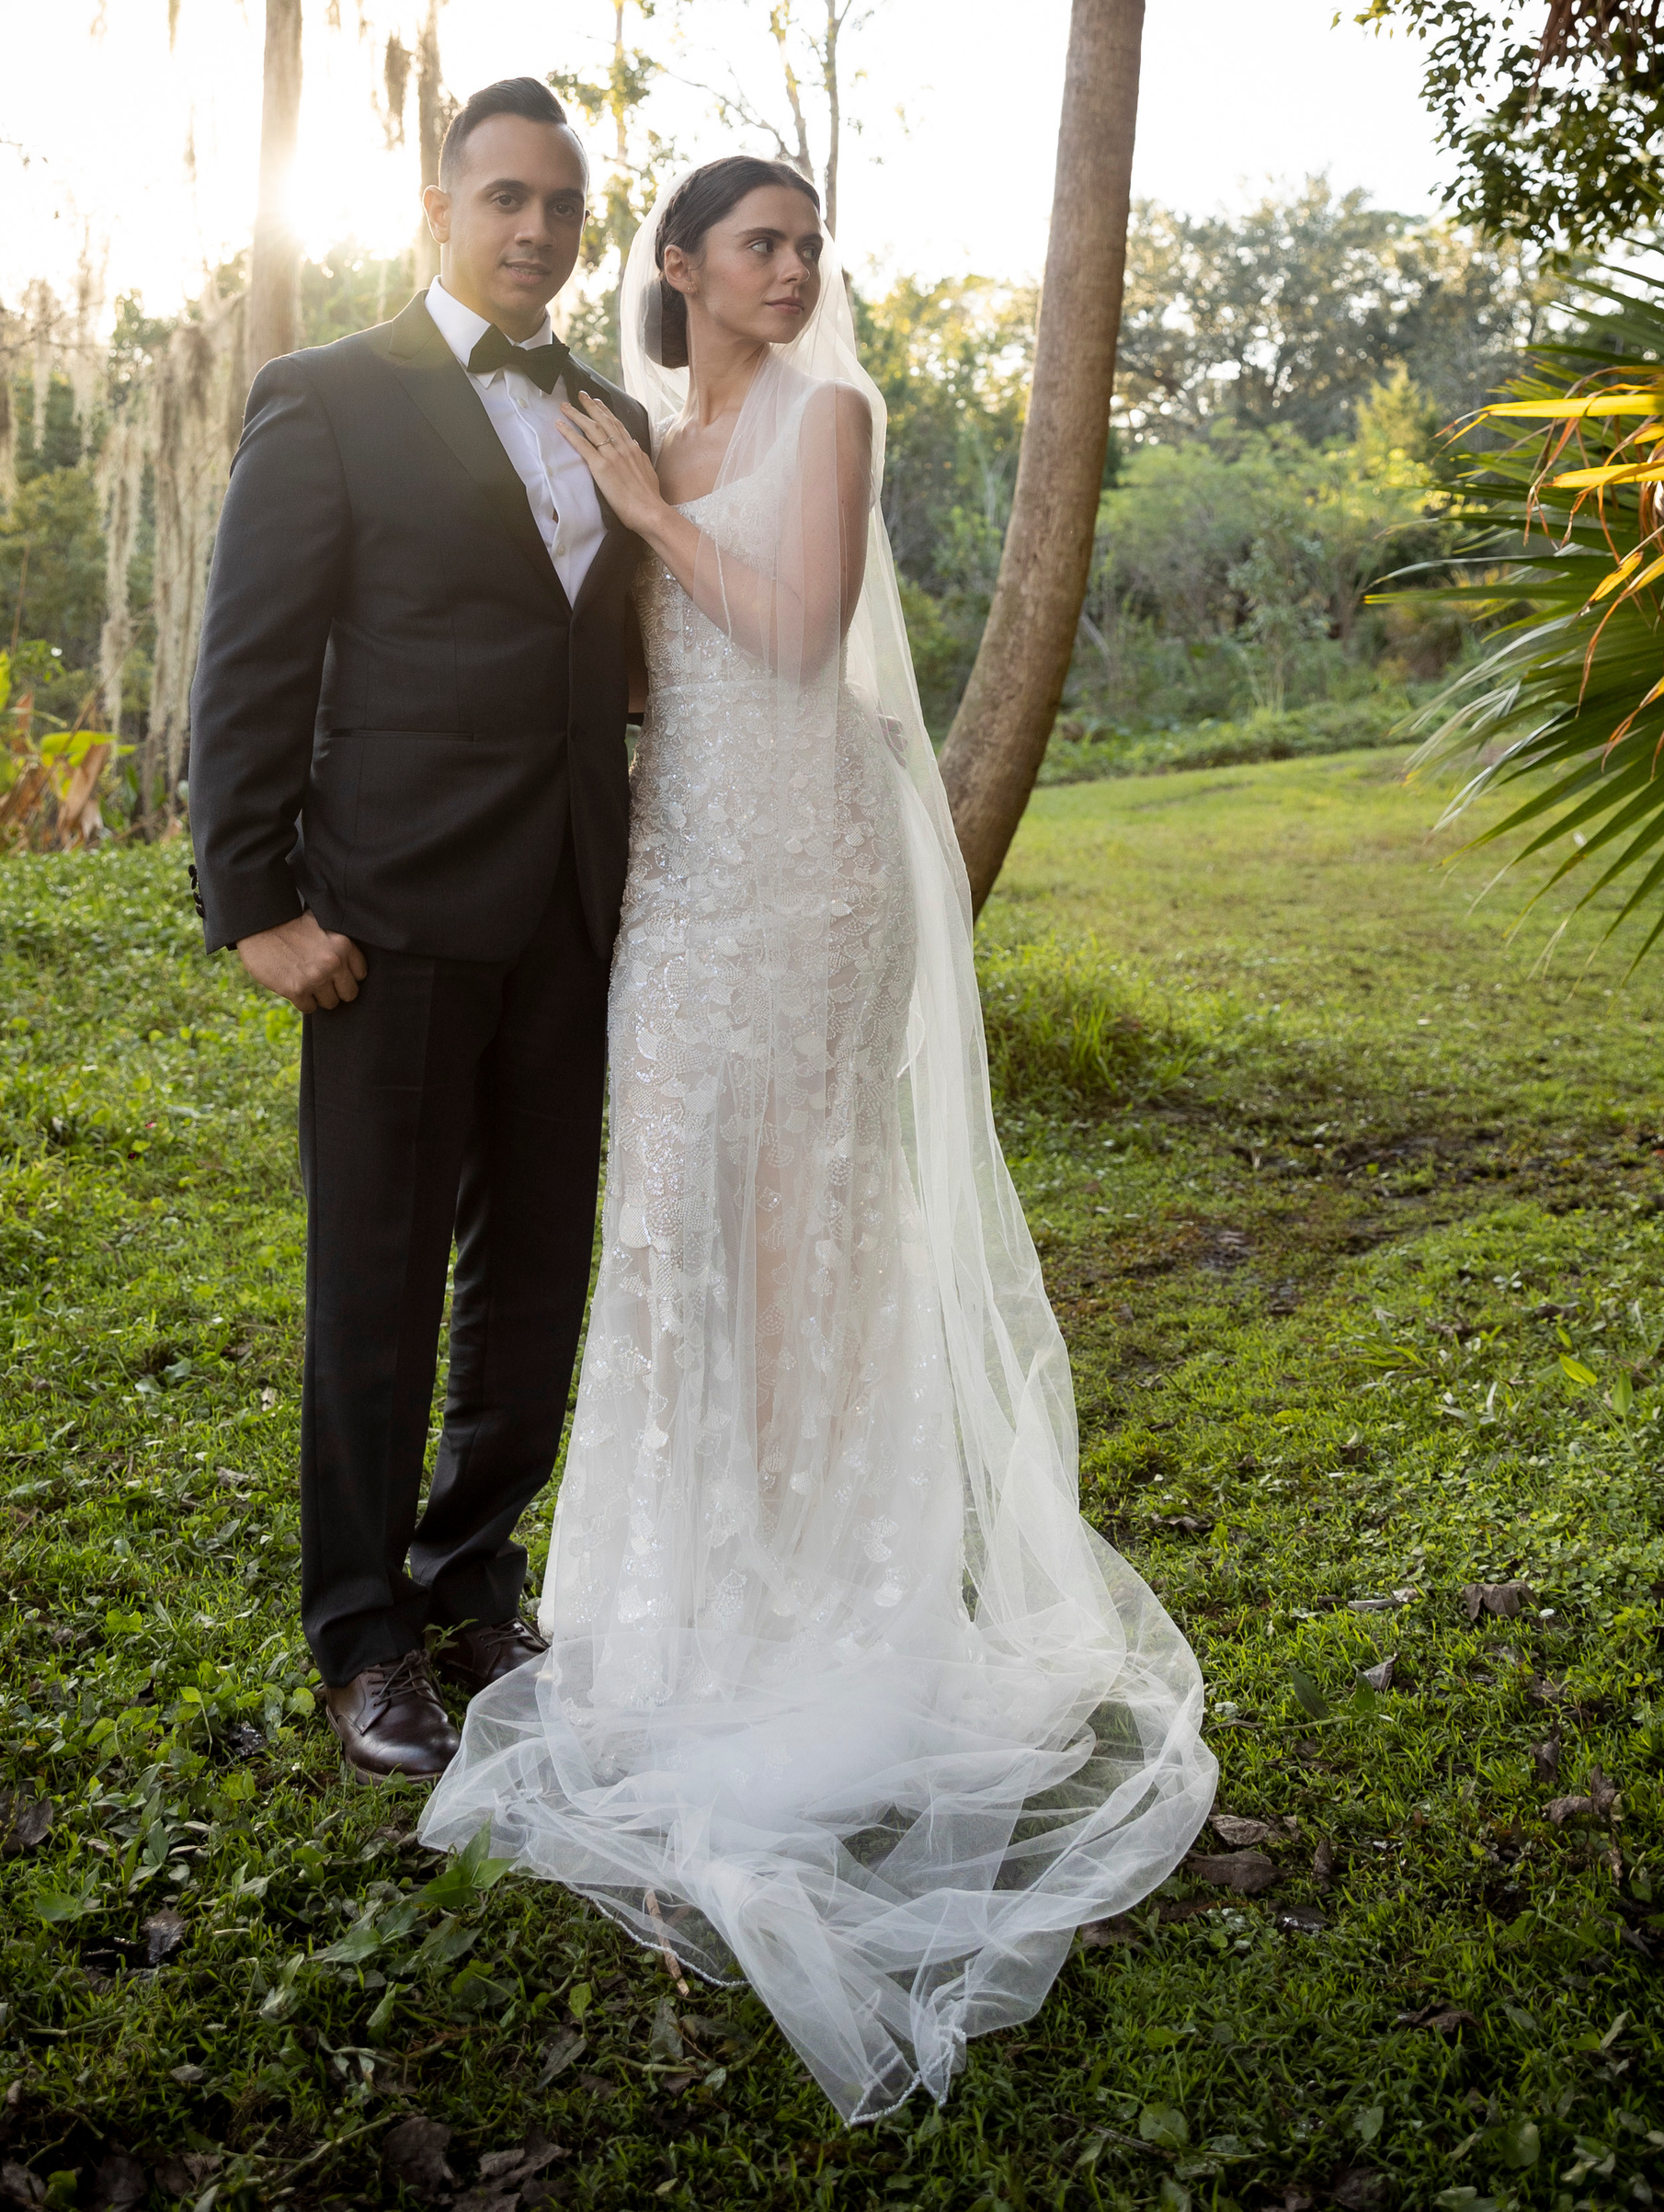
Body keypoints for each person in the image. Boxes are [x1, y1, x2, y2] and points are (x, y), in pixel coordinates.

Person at [418, 157, 1217, 2125]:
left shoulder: (823, 420)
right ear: (675, 268)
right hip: (683, 884)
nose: (789, 269)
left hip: (817, 879)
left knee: (809, 1233)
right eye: (754, 243)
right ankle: (692, 1597)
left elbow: (785, 636)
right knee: (677, 1228)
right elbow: (609, 679)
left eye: (803, 245)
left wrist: (636, 513)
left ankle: (831, 1613)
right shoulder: (639, 429)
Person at [185, 78, 653, 1780]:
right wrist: (255, 908)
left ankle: (472, 1583)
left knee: (536, 1272)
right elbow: (248, 665)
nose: (533, 229)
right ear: (439, 208)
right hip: (383, 911)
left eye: (561, 207)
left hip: (572, 909)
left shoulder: (610, 411)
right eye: (504, 199)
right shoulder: (325, 398)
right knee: (372, 1281)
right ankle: (362, 1633)